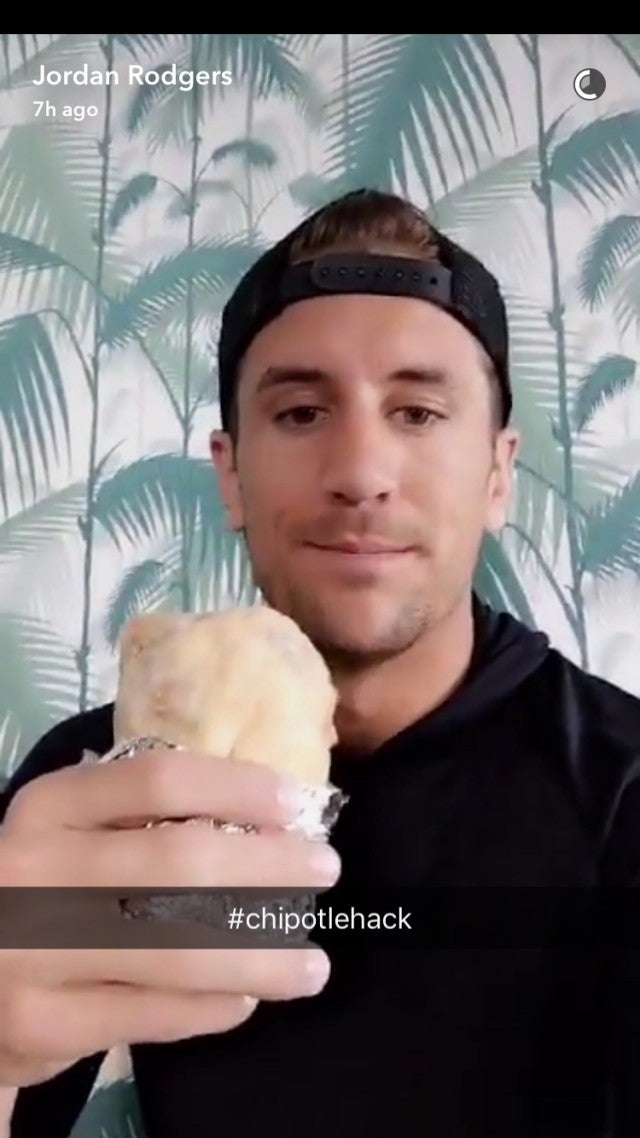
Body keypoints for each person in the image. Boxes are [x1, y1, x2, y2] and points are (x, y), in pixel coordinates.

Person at [1, 186, 640, 1138]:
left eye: (417, 412)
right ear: (231, 473)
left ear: (498, 473)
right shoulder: (91, 794)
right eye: (302, 413)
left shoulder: (621, 787)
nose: (361, 473)